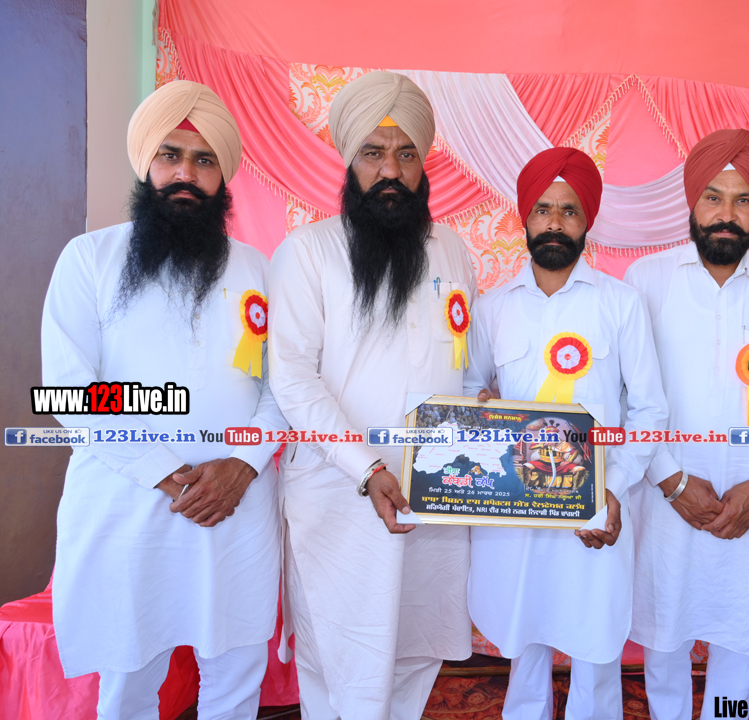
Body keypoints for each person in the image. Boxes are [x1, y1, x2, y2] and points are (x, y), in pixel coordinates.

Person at [41, 80, 288, 720]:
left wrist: (243, 465)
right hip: (128, 506)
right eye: (170, 155)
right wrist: (163, 471)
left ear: (223, 175)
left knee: (236, 676)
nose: (186, 173)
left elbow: (284, 387)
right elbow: (71, 390)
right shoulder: (89, 259)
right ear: (146, 163)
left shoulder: (261, 270)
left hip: (236, 506)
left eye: (204, 160)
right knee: (128, 682)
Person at [268, 71, 477, 720]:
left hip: (436, 494)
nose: (391, 169)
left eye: (406, 153)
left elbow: (464, 369)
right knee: (341, 664)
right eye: (373, 152)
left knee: (415, 655)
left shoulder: (455, 252)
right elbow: (292, 377)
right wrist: (368, 467)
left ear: (424, 160)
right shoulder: (306, 252)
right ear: (348, 159)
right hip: (342, 498)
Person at [465, 147, 668, 720]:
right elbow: (470, 390)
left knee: (594, 645)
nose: (555, 222)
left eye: (569, 211)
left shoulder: (621, 304)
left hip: (594, 508)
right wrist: (482, 408)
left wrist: (613, 488)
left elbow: (650, 409)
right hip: (516, 509)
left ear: (587, 221)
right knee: (523, 638)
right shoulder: (492, 308)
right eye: (544, 209)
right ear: (525, 218)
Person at [623, 129, 749, 713]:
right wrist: (671, 480)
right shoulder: (646, 280)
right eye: (713, 197)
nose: (727, 214)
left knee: (741, 640)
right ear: (692, 201)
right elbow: (630, 397)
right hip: (666, 497)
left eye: (743, 199)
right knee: (665, 641)